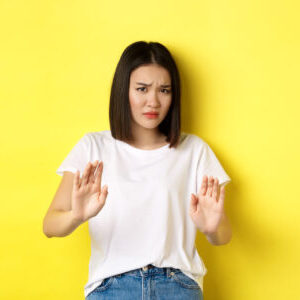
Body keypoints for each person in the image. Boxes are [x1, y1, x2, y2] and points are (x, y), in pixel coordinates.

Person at [43, 41, 232, 300]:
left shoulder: (194, 150)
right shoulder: (93, 146)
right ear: (124, 90)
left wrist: (211, 228)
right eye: (142, 89)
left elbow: (222, 236)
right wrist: (77, 215)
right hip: (111, 288)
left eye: (164, 90)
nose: (153, 101)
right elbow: (50, 225)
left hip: (176, 286)